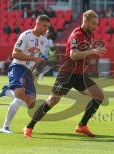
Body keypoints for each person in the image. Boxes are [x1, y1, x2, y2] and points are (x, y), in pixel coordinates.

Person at [23, 10, 107, 138]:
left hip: (79, 75)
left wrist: (89, 53)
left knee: (99, 96)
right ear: (86, 21)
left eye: (96, 24)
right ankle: (29, 126)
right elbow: (73, 55)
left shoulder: (90, 35)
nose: (96, 26)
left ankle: (82, 126)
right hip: (67, 74)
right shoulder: (76, 35)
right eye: (94, 23)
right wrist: (92, 51)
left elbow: (83, 52)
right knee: (52, 100)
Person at [0, 15, 50, 134]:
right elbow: (15, 54)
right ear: (38, 24)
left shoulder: (44, 40)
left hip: (28, 72)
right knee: (19, 96)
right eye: (45, 26)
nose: (46, 29)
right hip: (17, 67)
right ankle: (5, 127)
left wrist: (34, 71)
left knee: (31, 104)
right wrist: (33, 59)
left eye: (48, 27)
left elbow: (37, 57)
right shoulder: (26, 36)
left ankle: (7, 92)